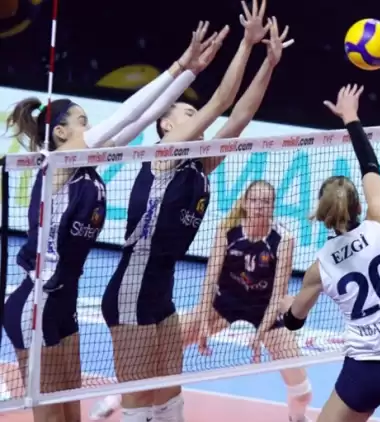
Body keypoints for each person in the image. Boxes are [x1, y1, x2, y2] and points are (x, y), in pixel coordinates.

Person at [2, 21, 219, 422]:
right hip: (36, 303)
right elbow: (125, 114)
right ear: (61, 132)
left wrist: (188, 71)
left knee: (72, 415)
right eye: (83, 121)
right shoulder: (57, 166)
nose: (91, 128)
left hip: (63, 304)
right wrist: (178, 68)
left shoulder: (87, 165)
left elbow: (140, 119)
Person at [99, 2, 292, 421]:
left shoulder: (200, 165)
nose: (197, 117)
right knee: (137, 401)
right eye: (188, 112)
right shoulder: (164, 155)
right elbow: (222, 100)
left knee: (169, 392)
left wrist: (269, 63)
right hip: (131, 289)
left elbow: (240, 116)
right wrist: (246, 43)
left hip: (161, 290)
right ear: (168, 126)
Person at [93, 181, 312, 422]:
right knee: (162, 347)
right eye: (254, 200)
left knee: (302, 391)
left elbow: (278, 294)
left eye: (266, 202)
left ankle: (297, 418)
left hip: (264, 309)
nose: (259, 206)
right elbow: (210, 279)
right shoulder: (227, 231)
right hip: (224, 303)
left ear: (273, 206)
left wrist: (261, 333)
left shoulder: (283, 239)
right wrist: (204, 321)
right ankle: (118, 397)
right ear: (245, 203)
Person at [280, 84, 380, 422]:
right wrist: (351, 117)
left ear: (322, 213)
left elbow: (294, 322)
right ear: (359, 206)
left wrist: (287, 307)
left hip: (364, 371)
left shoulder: (320, 267)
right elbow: (370, 166)